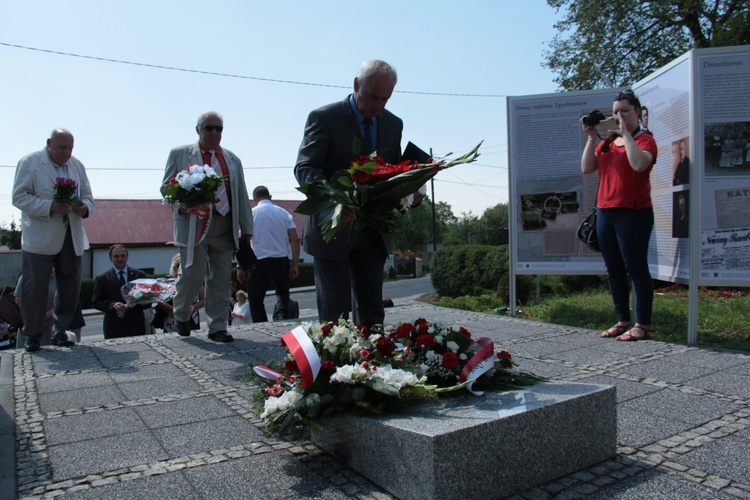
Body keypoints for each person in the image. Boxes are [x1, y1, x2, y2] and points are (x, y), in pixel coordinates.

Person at [295, 59, 403, 327]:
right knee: (335, 314)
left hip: (372, 232)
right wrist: (335, 202)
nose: (377, 105)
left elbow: (394, 172)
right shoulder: (324, 117)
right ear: (356, 85)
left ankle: (373, 364)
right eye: (372, 97)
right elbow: (305, 168)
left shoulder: (392, 124)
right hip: (332, 231)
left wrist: (410, 192)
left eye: (385, 99)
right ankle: (335, 368)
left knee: (372, 312)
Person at [160, 111, 253, 343]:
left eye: (218, 129)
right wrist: (182, 204)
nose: (214, 133)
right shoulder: (180, 153)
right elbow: (166, 189)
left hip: (225, 223)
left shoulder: (232, 159)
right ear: (198, 130)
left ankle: (217, 327)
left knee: (220, 279)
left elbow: (240, 193)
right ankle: (182, 314)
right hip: (194, 224)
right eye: (209, 128)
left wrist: (247, 227)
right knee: (192, 273)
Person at [581, 89, 658, 342]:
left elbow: (639, 165)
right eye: (615, 112)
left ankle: (642, 324)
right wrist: (593, 137)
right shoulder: (607, 142)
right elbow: (587, 168)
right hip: (605, 212)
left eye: (625, 110)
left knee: (636, 267)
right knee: (613, 269)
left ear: (637, 111)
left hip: (633, 213)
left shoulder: (645, 140)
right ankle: (622, 320)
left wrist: (626, 135)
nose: (620, 116)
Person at [11, 129, 95, 352]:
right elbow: (19, 197)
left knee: (70, 286)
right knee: (35, 287)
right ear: (49, 143)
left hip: (71, 233)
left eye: (70, 148)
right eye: (62, 147)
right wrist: (49, 207)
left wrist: (85, 207)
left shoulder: (77, 165)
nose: (66, 152)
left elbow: (88, 196)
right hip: (40, 236)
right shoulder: (30, 163)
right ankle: (33, 335)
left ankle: (61, 331)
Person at [244, 185, 300, 322]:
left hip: (259, 261)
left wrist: (241, 266)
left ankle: (261, 324)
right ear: (270, 197)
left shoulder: (251, 214)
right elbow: (294, 239)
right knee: (282, 293)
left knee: (256, 300)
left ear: (255, 199)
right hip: (281, 260)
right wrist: (295, 264)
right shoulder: (284, 213)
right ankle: (281, 317)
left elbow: (244, 240)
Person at [92, 244, 148, 339]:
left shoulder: (139, 275)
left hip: (136, 325)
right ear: (110, 258)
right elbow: (96, 302)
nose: (120, 259)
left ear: (127, 257)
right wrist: (112, 305)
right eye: (116, 256)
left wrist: (144, 302)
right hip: (114, 326)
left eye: (123, 256)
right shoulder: (102, 279)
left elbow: (148, 299)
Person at [153, 253, 204, 333]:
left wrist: (192, 308)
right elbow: (159, 300)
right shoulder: (167, 282)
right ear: (174, 267)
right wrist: (174, 310)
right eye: (179, 266)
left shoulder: (196, 281)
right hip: (171, 318)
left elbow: (204, 300)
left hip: (191, 316)